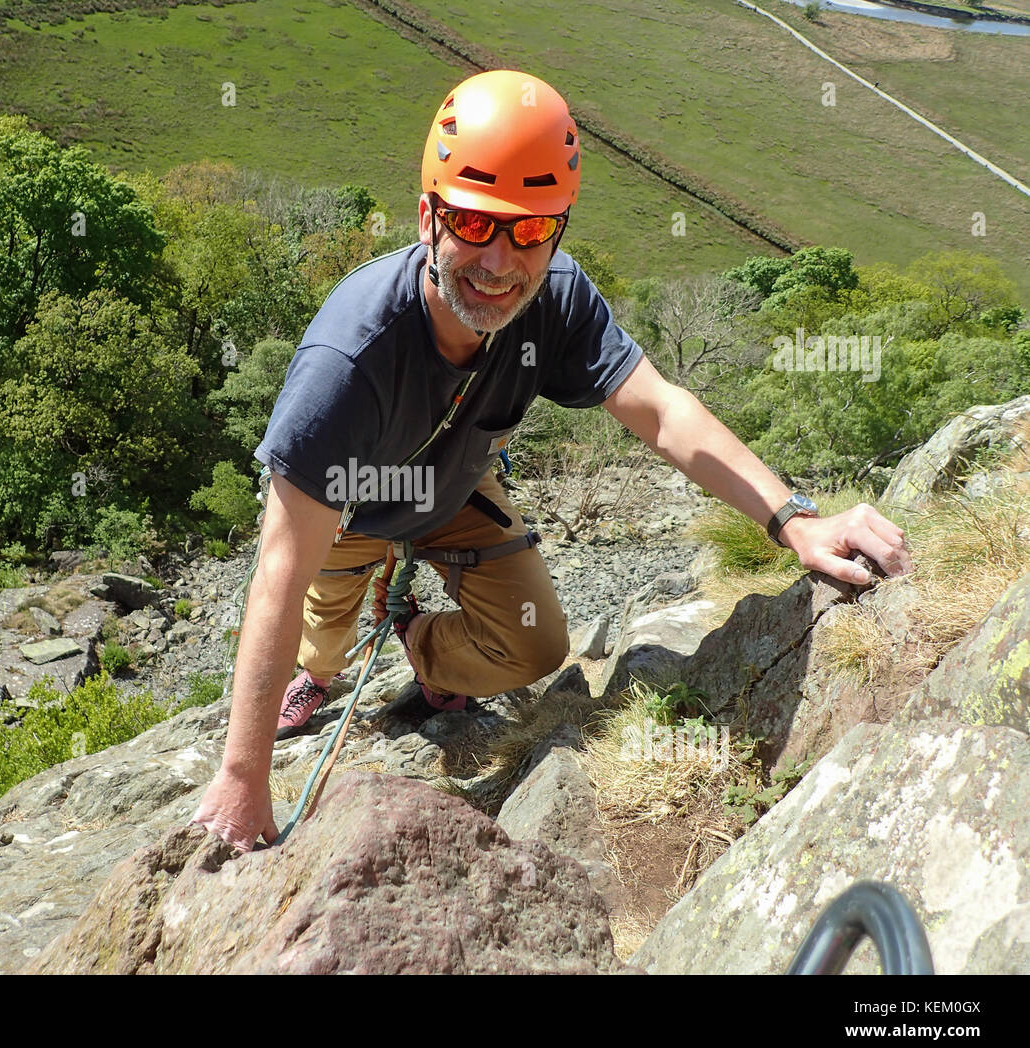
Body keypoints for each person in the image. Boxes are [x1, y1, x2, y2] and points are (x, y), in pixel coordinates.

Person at [192, 69, 914, 853]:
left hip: (458, 487)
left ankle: (418, 644)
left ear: (559, 230)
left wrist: (796, 520)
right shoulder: (350, 356)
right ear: (428, 216)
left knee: (534, 648)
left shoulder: (557, 299)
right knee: (322, 636)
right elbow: (278, 567)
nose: (501, 263)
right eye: (475, 223)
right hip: (349, 516)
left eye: (531, 231)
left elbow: (663, 411)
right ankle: (322, 675)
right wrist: (242, 774)